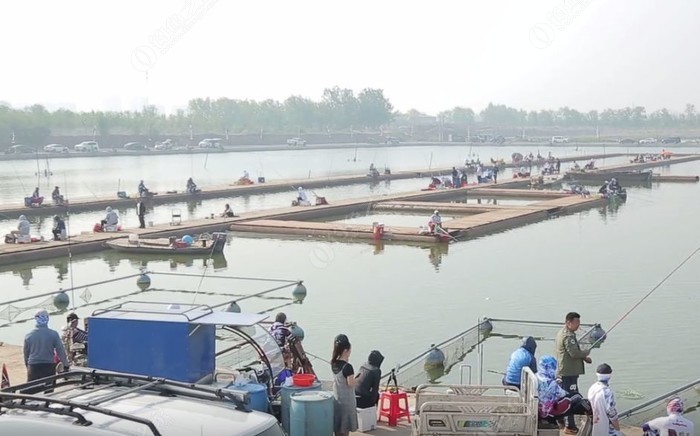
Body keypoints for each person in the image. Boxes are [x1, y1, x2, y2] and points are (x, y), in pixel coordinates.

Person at [555, 312, 592, 434]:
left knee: (564, 396)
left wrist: (584, 358)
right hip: (568, 373)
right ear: (568, 322)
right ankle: (569, 426)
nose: (578, 325)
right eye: (576, 322)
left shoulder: (562, 333)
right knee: (571, 398)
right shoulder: (568, 336)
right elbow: (574, 353)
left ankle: (563, 421)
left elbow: (571, 352)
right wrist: (585, 353)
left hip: (565, 371)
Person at [537, 355, 591, 425]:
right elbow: (562, 394)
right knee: (577, 396)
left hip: (540, 408)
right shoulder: (551, 383)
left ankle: (563, 423)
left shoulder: (537, 377)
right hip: (550, 412)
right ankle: (592, 415)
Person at [23, 309, 69, 382]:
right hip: (49, 366)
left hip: (34, 367)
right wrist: (65, 365)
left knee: (31, 391)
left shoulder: (29, 336)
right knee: (49, 391)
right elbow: (60, 351)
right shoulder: (53, 334)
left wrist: (28, 367)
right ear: (47, 319)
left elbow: (26, 355)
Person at [331, 334, 358, 436]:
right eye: (350, 350)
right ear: (346, 350)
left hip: (337, 399)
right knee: (345, 429)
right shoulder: (348, 367)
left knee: (338, 428)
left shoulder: (333, 363)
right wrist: (359, 378)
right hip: (347, 402)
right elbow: (351, 383)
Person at [588, 363, 622, 436]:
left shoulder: (592, 388)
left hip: (595, 424)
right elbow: (611, 413)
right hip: (607, 428)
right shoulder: (607, 392)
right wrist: (618, 428)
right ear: (609, 376)